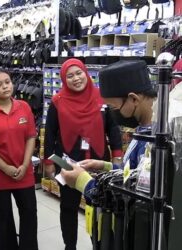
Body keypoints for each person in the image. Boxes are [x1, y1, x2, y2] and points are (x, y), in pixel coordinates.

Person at [43, 58, 123, 250]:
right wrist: (48, 161)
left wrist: (117, 156)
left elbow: (113, 128)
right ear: (63, 79)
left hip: (98, 160)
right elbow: (50, 132)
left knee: (101, 207)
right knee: (68, 207)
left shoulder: (101, 97)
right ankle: (69, 246)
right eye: (70, 76)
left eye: (79, 73)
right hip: (68, 161)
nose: (76, 78)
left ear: (86, 73)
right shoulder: (57, 101)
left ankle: (101, 244)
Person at [61, 60, 157, 201]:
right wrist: (106, 166)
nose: (112, 113)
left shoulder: (155, 141)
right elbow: (134, 172)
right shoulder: (144, 127)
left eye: (113, 107)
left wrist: (83, 182)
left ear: (134, 99)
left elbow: (133, 197)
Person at [0, 69, 38, 250]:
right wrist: (5, 168)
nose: (5, 86)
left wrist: (25, 164)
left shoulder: (24, 107)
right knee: (3, 219)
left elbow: (30, 136)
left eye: (7, 82)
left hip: (24, 171)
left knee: (29, 214)